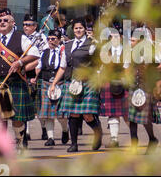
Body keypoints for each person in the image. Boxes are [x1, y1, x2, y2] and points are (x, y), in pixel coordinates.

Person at [0, 8, 40, 153]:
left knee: (16, 118)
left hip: (15, 82)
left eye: (6, 20)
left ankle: (19, 143)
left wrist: (19, 63)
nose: (2, 22)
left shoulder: (21, 38)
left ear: (13, 23)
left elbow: (34, 54)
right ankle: (1, 146)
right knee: (1, 117)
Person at [49, 17, 102, 152]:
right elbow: (62, 67)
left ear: (85, 29)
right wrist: (54, 83)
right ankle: (74, 144)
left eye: (81, 28)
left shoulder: (93, 44)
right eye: (76, 28)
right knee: (73, 114)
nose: (78, 30)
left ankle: (97, 133)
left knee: (87, 114)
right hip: (71, 82)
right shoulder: (67, 45)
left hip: (88, 82)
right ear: (73, 30)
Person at [125, 26, 161, 154]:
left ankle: (152, 139)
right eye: (130, 40)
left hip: (146, 87)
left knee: (145, 119)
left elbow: (159, 70)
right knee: (131, 118)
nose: (131, 42)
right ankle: (134, 144)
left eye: (133, 40)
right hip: (133, 87)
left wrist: (157, 88)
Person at [31, 29, 69, 146]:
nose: (50, 41)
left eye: (53, 39)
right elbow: (39, 66)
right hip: (46, 83)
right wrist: (35, 77)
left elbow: (64, 67)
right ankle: (50, 138)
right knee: (47, 114)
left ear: (59, 40)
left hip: (60, 84)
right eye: (49, 39)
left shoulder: (63, 51)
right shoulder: (44, 52)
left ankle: (65, 130)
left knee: (61, 115)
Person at [99, 23, 130, 148]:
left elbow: (127, 68)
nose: (114, 39)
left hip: (123, 83)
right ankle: (114, 139)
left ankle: (134, 136)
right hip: (109, 83)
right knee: (112, 113)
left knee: (127, 114)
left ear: (121, 37)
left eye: (116, 36)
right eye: (112, 37)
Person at [21, 14, 49, 141]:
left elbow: (44, 56)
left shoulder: (41, 38)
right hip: (23, 73)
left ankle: (44, 129)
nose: (26, 27)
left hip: (38, 73)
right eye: (24, 24)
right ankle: (26, 131)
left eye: (29, 24)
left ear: (35, 26)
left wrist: (37, 74)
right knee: (26, 105)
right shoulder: (21, 38)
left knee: (39, 105)